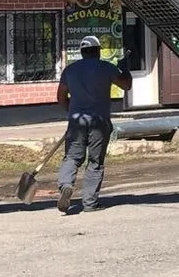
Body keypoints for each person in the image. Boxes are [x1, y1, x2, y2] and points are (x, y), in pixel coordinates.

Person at [56, 35, 132, 213]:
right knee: (95, 162)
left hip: (77, 121)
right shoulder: (106, 68)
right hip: (100, 121)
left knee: (72, 158)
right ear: (98, 51)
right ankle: (90, 203)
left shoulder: (70, 70)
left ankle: (66, 184)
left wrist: (71, 112)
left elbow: (60, 97)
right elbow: (126, 85)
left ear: (82, 53)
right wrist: (125, 70)